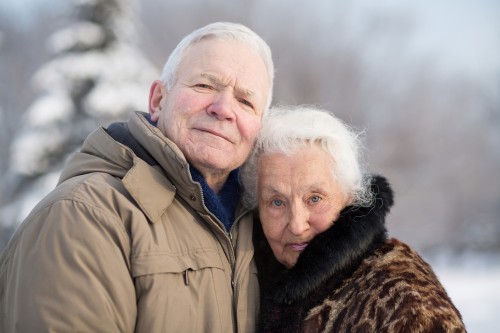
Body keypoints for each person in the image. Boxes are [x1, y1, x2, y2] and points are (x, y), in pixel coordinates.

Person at [0, 22, 274, 332]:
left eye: (246, 101)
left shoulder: (267, 230)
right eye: (204, 86)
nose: (223, 108)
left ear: (259, 127)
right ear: (158, 100)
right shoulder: (85, 216)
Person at [240, 106, 466, 333]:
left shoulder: (407, 306)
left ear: (350, 197)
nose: (297, 225)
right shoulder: (246, 283)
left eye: (315, 199)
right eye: (277, 202)